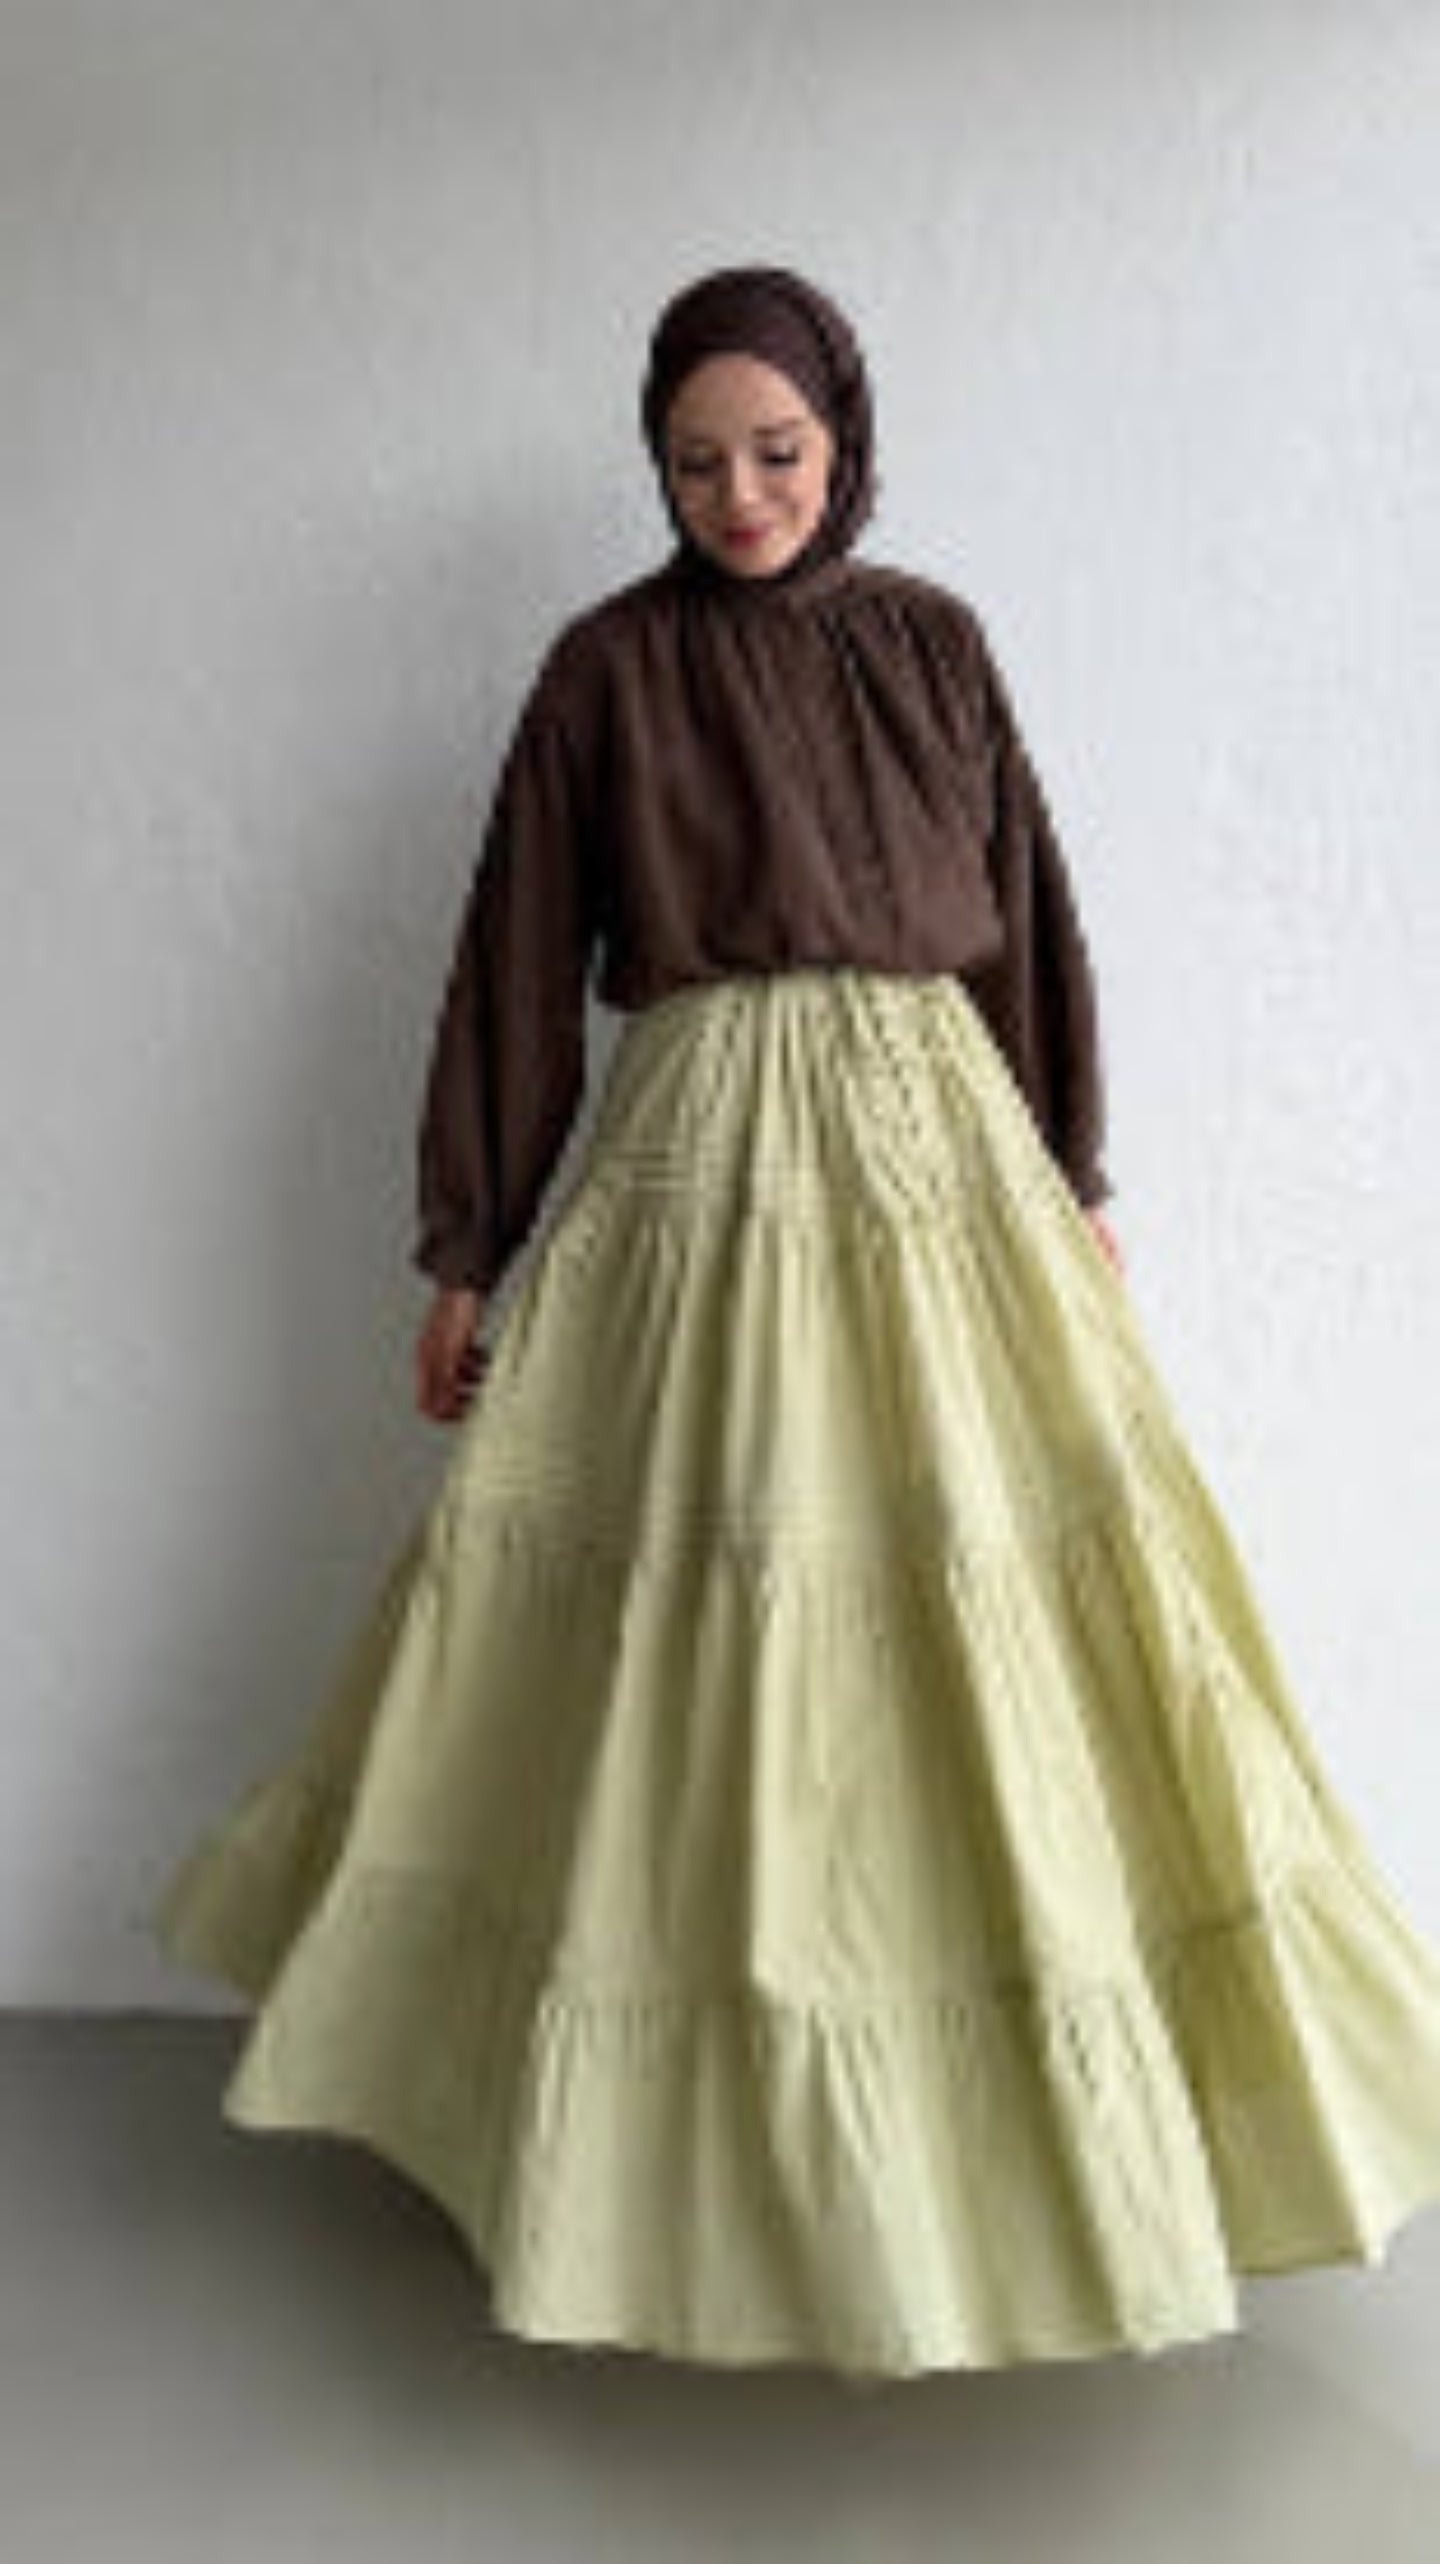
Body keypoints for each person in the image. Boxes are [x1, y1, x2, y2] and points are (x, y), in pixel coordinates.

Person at [154, 263, 1440, 2385]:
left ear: (844, 435)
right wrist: (469, 1246)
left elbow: (1022, 916)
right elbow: (513, 957)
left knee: (988, 1602)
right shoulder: (604, 670)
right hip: (697, 1166)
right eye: (695, 462)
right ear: (653, 467)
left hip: (944, 1168)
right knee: (693, 1613)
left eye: (776, 450)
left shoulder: (934, 640)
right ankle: (658, 2164)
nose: (741, 494)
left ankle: (1014, 2152)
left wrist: (1071, 1174)